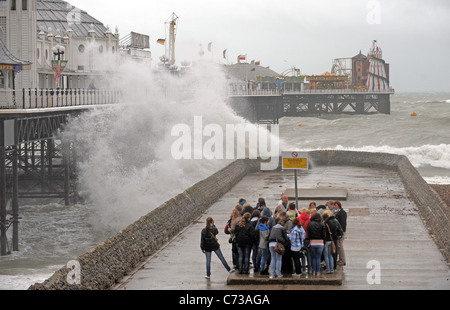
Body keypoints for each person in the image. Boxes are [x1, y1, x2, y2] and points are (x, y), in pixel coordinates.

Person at [297, 208, 311, 273]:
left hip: (300, 238)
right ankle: (310, 269)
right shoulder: (309, 220)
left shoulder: (298, 218)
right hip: (307, 237)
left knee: (302, 253)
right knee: (308, 254)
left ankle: (303, 269)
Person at [333, 200, 347, 266]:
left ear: (338, 206)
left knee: (340, 246)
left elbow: (342, 224)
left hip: (341, 232)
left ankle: (342, 260)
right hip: (339, 232)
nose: (334, 206)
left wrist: (340, 233)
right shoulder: (336, 213)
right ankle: (340, 259)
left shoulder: (342, 213)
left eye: (335, 205)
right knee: (338, 246)